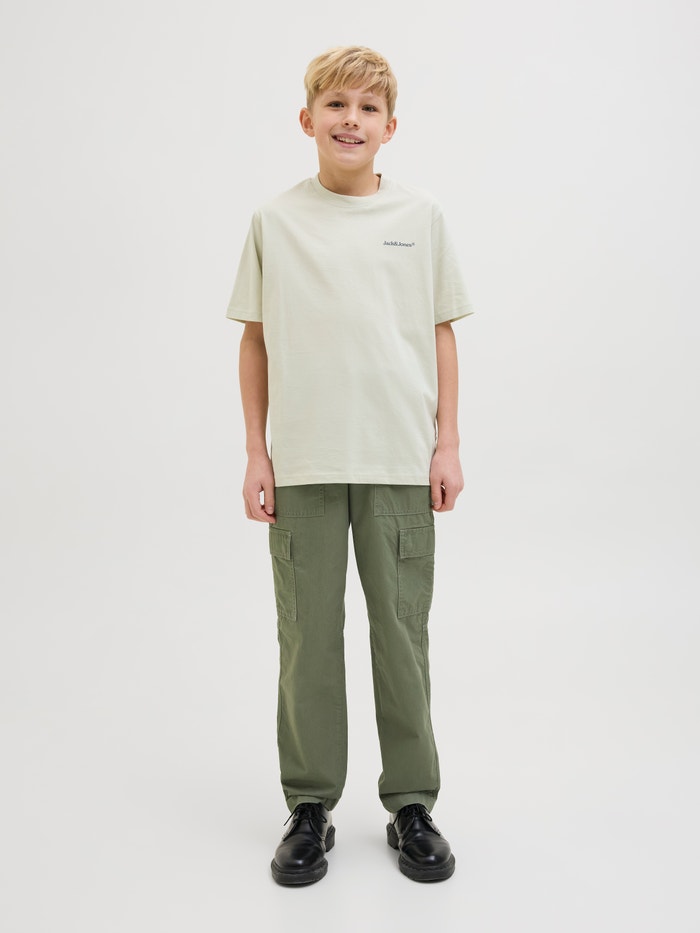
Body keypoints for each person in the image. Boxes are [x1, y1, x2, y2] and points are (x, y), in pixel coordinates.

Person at [226, 45, 474, 885]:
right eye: (336, 104)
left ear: (390, 127)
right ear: (308, 119)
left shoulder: (421, 217)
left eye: (369, 108)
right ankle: (309, 804)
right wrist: (256, 451)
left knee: (402, 633)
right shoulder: (275, 221)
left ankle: (412, 803)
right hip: (303, 463)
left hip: (399, 458)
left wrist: (447, 442)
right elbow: (254, 339)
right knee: (306, 637)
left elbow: (441, 331)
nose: (351, 120)